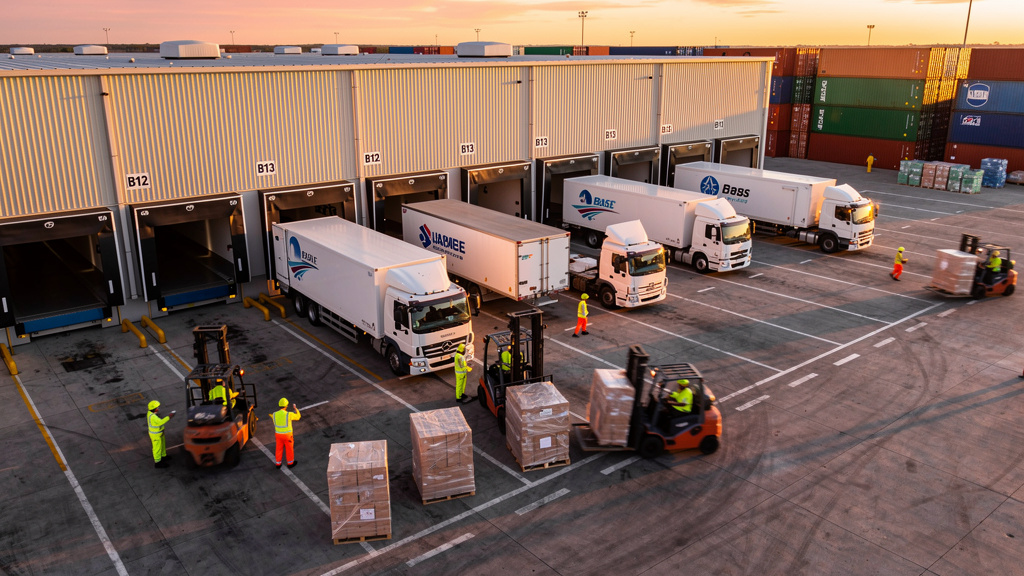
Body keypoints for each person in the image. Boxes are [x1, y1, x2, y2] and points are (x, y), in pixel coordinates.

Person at [272, 398, 301, 469]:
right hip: (287, 435)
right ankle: (290, 463)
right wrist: (295, 409)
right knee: (289, 449)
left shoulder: (274, 414)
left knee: (278, 449)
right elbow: (298, 417)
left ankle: (278, 464)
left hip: (278, 435)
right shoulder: (289, 414)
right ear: (286, 406)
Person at [147, 400, 176, 468]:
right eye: (157, 407)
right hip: (155, 435)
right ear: (154, 408)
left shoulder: (151, 413)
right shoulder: (153, 417)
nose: (158, 408)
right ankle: (158, 462)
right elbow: (161, 422)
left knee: (162, 445)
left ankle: (163, 456)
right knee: (157, 448)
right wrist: (170, 416)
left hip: (160, 433)